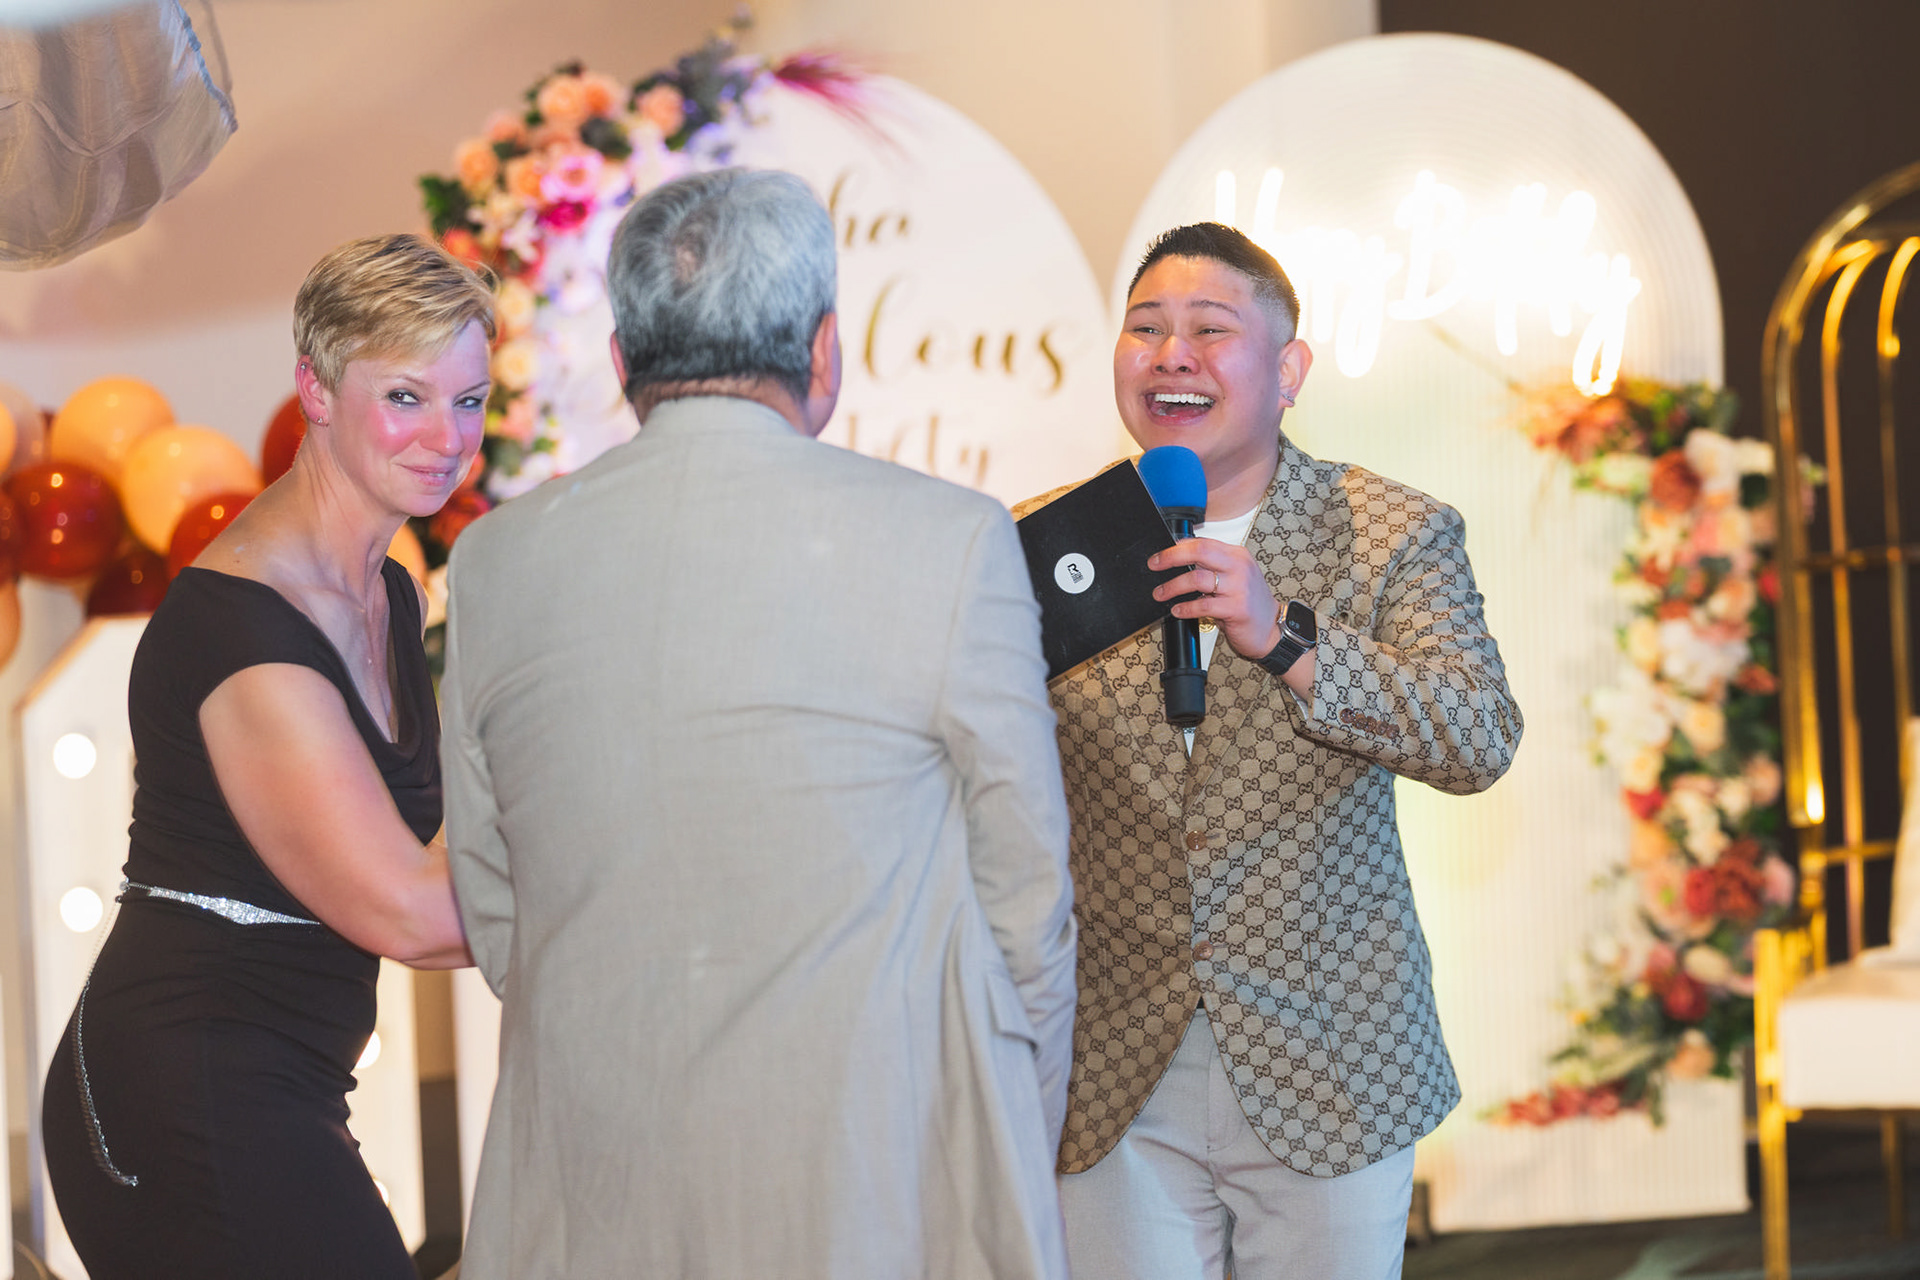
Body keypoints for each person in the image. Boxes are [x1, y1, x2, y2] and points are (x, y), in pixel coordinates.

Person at [440, 167, 1077, 1280]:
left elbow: (495, 905)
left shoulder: (495, 560)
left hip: (589, 1186)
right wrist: (1007, 1146)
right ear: (825, 351)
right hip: (874, 1183)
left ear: (624, 362)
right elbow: (1027, 902)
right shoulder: (952, 540)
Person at [1018, 222, 1523, 1280]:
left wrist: (1287, 635)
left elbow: (1478, 736)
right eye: (1146, 328)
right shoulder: (1045, 545)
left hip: (1335, 1057)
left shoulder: (1392, 531)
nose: (1172, 355)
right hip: (1111, 1068)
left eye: (1210, 329)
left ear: (1288, 371)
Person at [41, 233, 488, 1279]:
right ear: (316, 388)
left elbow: (433, 857)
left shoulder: (390, 591)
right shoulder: (243, 627)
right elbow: (409, 912)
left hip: (273, 1082)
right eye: (407, 396)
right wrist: (632, 875)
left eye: (468, 401)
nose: (446, 438)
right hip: (177, 1091)